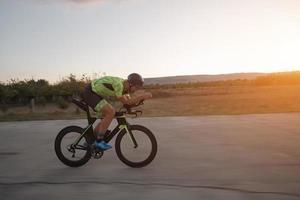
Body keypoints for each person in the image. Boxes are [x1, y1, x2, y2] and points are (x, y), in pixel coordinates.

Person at [82, 73, 152, 150]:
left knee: (106, 118)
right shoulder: (119, 85)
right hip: (90, 92)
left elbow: (129, 103)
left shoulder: (125, 90)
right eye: (137, 87)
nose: (136, 90)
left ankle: (91, 139)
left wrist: (138, 102)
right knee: (111, 112)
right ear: (131, 84)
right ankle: (99, 141)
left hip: (97, 95)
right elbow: (127, 102)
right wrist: (142, 96)